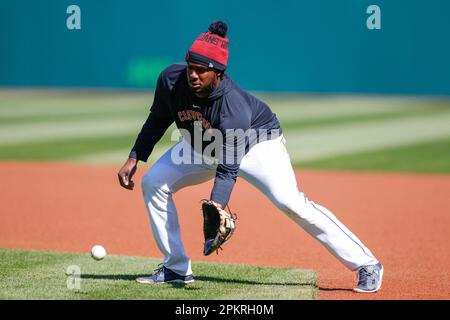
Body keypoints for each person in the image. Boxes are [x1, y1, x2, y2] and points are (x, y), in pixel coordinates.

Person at [117, 21, 383, 293]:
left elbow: (228, 169)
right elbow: (158, 118)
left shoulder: (233, 108)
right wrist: (135, 155)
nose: (193, 75)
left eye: (201, 70)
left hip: (258, 145)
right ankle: (175, 267)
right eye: (191, 67)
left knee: (290, 202)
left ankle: (366, 264)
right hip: (201, 143)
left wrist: (217, 207)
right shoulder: (171, 80)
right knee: (154, 183)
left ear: (218, 73)